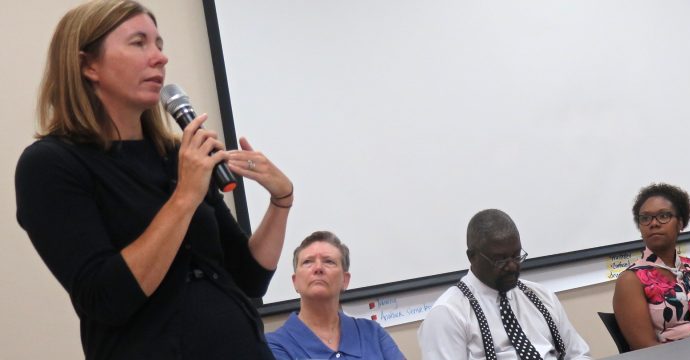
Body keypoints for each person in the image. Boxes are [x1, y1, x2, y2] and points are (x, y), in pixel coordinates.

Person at [14, 1, 293, 359]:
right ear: (88, 65)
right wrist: (184, 197)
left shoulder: (176, 155)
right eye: (139, 43)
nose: (159, 58)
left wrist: (281, 201)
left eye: (159, 45)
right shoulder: (50, 165)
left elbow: (249, 277)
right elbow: (106, 298)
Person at [418, 209, 592, 360]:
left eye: (516, 256)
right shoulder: (449, 314)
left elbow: (578, 354)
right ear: (472, 257)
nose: (512, 266)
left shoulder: (540, 296)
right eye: (500, 260)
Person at [612, 183, 690, 350]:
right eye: (645, 218)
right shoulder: (631, 280)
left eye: (663, 216)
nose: (653, 224)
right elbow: (646, 350)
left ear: (681, 223)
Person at [266, 231, 404, 359]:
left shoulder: (373, 333)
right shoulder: (275, 345)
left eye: (329, 261)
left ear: (345, 280)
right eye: (308, 262)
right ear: (295, 282)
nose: (318, 268)